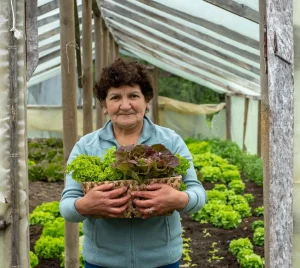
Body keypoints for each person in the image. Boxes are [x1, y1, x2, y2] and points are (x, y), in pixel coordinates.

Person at [59, 59, 207, 268]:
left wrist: (179, 199)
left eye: (134, 96)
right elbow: (67, 206)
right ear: (104, 104)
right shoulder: (86, 146)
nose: (125, 105)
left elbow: (198, 194)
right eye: (115, 97)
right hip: (102, 263)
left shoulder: (170, 141)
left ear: (147, 101)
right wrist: (84, 205)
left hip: (161, 262)